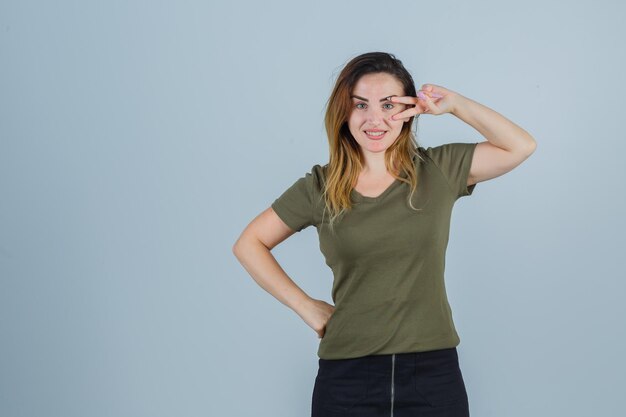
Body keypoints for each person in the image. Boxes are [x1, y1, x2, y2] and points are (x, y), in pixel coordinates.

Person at [232, 51, 536, 417]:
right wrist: (306, 306)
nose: (375, 119)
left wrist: (454, 105)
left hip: (432, 374)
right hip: (346, 378)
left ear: (409, 109)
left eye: (389, 104)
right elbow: (249, 243)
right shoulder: (319, 187)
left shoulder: (438, 170)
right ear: (344, 113)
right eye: (361, 105)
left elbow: (520, 145)